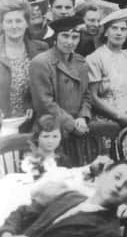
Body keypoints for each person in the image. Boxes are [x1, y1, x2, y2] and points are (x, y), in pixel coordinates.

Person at [30, 15, 92, 166]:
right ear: (55, 38)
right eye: (65, 36)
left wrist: (83, 117)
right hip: (51, 131)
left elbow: (87, 95)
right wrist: (71, 124)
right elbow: (44, 103)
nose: (70, 42)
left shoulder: (80, 62)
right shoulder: (41, 62)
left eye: (75, 37)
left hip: (78, 130)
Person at [86, 9, 127, 133]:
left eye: (123, 29)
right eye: (114, 28)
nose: (119, 33)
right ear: (106, 32)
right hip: (104, 124)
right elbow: (92, 97)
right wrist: (119, 117)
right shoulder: (95, 58)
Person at [0, 0, 48, 120]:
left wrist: (33, 104)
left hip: (31, 120)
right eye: (9, 21)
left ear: (27, 23)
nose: (14, 26)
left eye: (19, 21)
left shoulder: (41, 49)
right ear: (2, 25)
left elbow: (46, 86)